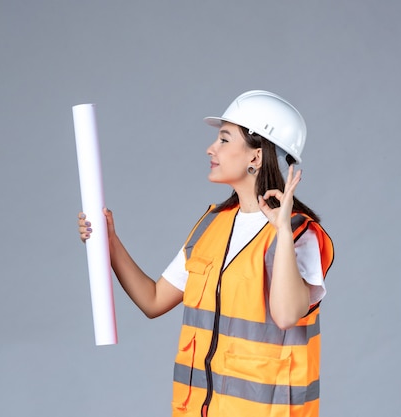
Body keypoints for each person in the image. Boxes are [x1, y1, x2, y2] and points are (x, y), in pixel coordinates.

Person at [77, 90, 334, 417]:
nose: (211, 148)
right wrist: (109, 241)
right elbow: (153, 300)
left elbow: (286, 316)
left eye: (225, 140)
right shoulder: (212, 225)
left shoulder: (299, 233)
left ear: (256, 156)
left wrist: (282, 231)